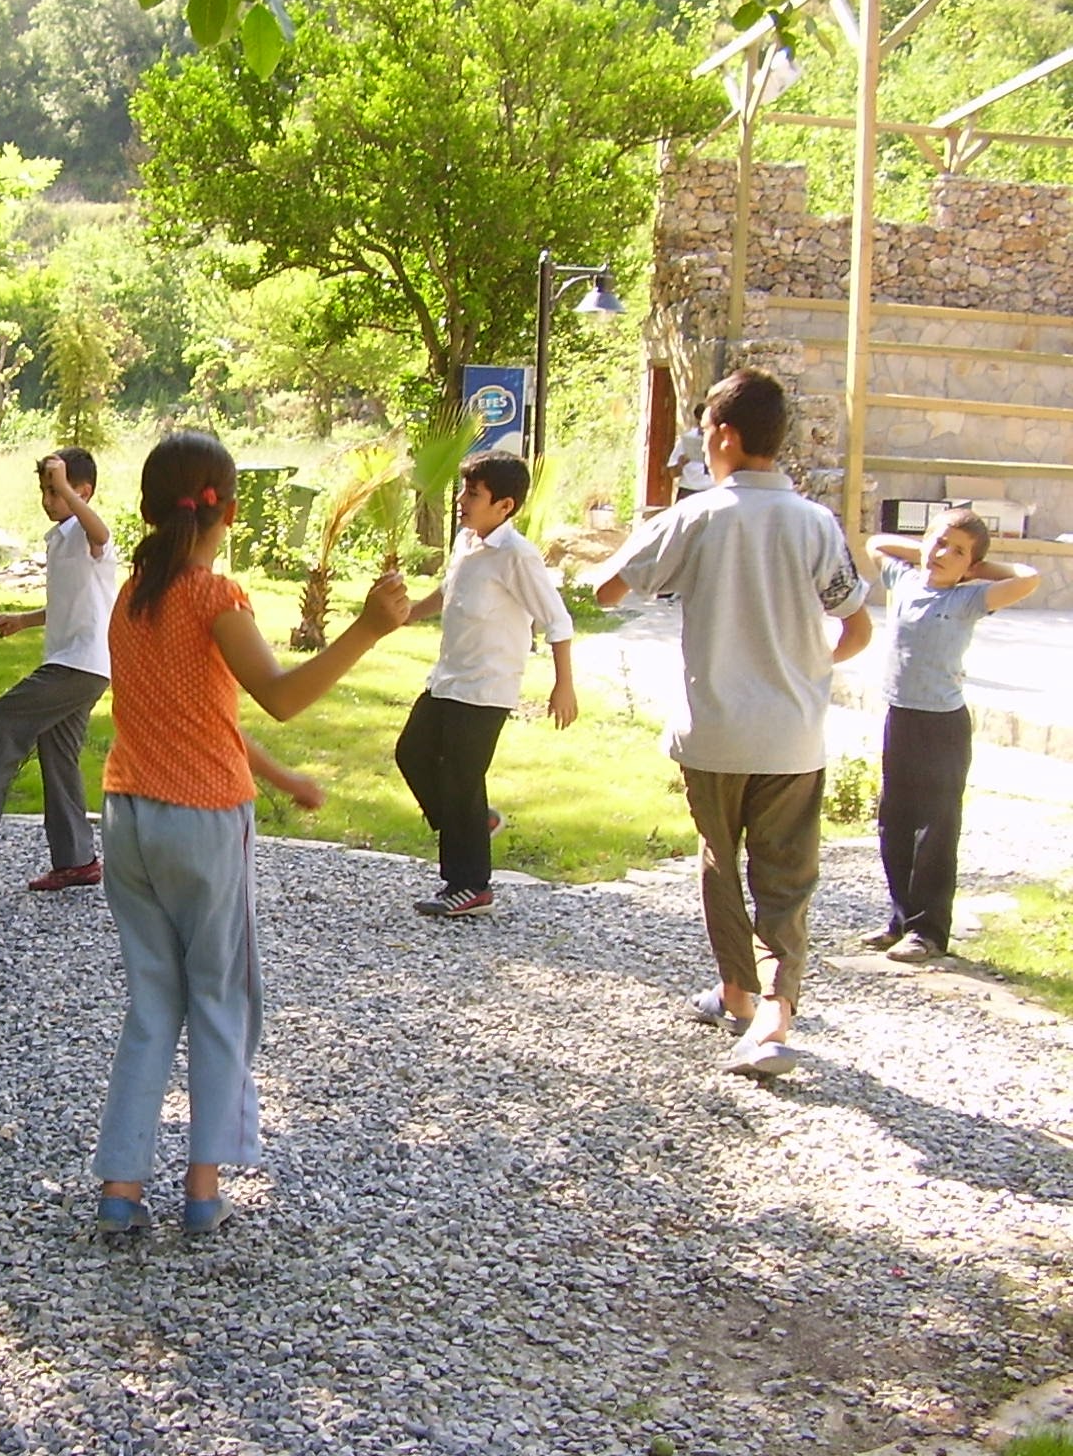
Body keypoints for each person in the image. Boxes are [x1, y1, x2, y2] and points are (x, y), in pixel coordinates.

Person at [93, 432, 411, 1236]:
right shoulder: (214, 598)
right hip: (202, 824)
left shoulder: (131, 599)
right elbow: (280, 695)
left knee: (152, 1005)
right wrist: (368, 629)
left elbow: (200, 716)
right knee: (221, 997)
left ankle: (121, 1189)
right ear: (229, 512)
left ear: (149, 510)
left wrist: (280, 777)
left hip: (129, 818)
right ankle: (203, 1188)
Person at [593, 368, 871, 1080]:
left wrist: (655, 536)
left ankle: (736, 993)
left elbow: (608, 588)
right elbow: (858, 626)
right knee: (786, 880)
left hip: (715, 731)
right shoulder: (815, 523)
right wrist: (808, 666)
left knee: (720, 864)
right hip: (793, 735)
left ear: (722, 436)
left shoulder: (697, 517)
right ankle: (775, 1015)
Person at [395, 450, 577, 919]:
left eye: (473, 494)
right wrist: (407, 614)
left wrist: (564, 686)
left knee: (461, 778)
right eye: (464, 490)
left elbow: (557, 621)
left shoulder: (517, 556)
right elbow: (448, 591)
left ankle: (471, 886)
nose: (462, 500)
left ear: (504, 506)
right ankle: (476, 823)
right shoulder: (467, 541)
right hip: (447, 679)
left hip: (486, 689)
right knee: (411, 752)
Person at [859, 511, 1039, 964]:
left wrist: (975, 569)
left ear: (971, 566)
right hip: (901, 717)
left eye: (957, 551)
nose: (942, 553)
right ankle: (901, 918)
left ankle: (928, 931)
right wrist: (931, 551)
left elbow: (1028, 579)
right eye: (938, 542)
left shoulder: (968, 598)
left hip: (942, 726)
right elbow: (876, 544)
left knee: (935, 828)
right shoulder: (904, 581)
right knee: (895, 821)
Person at [0, 448, 115, 892]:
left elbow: (101, 531)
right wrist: (23, 620)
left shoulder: (89, 534)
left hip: (82, 662)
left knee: (3, 715)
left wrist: (67, 492)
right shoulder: (61, 538)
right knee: (58, 755)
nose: (47, 500)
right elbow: (69, 604)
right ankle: (77, 861)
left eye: (55, 492)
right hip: (72, 660)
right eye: (44, 491)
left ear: (83, 492)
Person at [668, 403, 711, 500]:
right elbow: (672, 473)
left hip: (713, 491)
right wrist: (680, 464)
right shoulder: (686, 440)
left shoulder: (722, 440)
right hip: (689, 490)